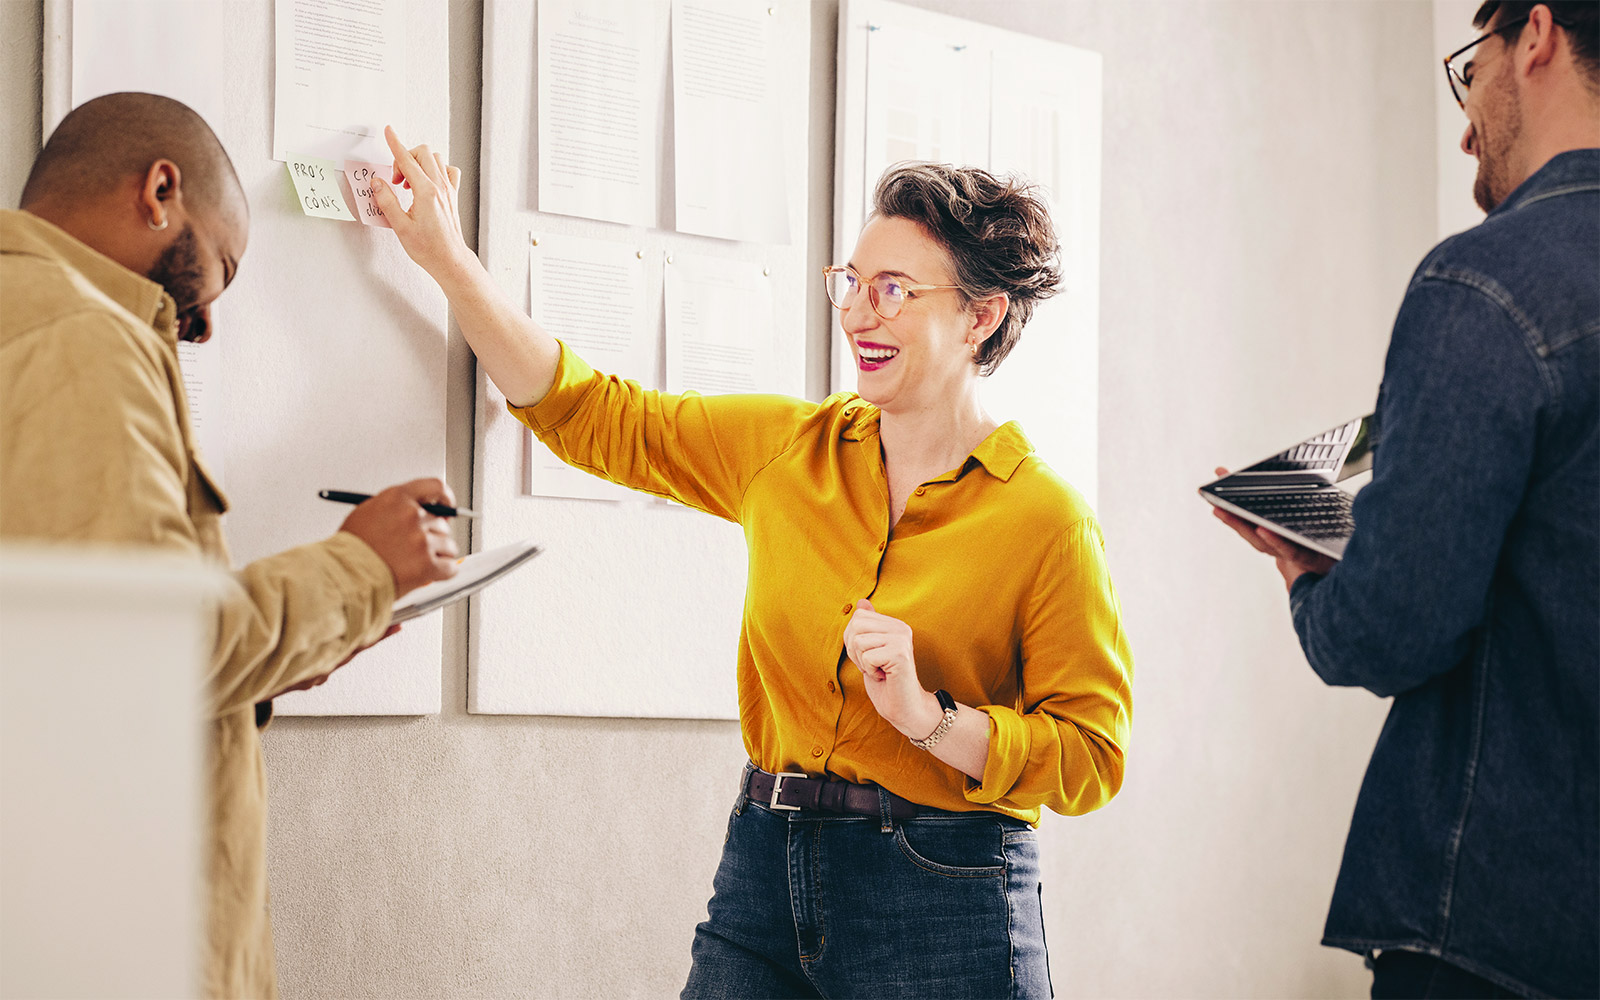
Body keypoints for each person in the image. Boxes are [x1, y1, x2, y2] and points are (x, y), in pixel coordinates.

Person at [373, 128, 1133, 996]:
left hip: (944, 892)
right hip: (766, 865)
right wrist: (447, 259)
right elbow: (590, 414)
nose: (858, 314)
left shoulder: (1047, 521)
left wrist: (929, 718)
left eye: (893, 290)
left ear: (980, 317)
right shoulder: (789, 450)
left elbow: (1092, 757)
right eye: (852, 283)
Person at [0, 93, 461, 999]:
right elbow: (144, 651)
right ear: (159, 191)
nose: (205, 324)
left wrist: (281, 657)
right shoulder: (82, 340)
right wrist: (361, 566)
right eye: (221, 266)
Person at [1213, 3, 1597, 997]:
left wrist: (1310, 573)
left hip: (1500, 923)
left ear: (1536, 35)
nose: (1467, 121)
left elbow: (1389, 631)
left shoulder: (1486, 283)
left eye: (1473, 66)